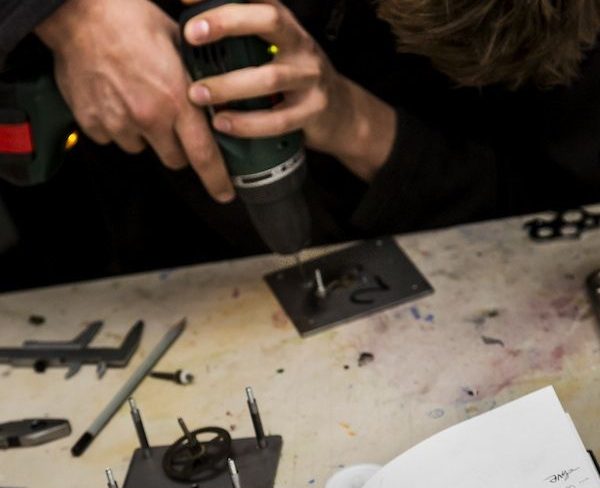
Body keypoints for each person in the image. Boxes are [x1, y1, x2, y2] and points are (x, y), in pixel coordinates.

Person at [0, 0, 599, 291]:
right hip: (115, 252)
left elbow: (549, 204)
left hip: (445, 261)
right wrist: (73, 14)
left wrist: (354, 121)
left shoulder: (552, 53)